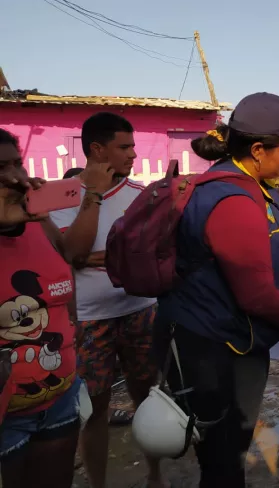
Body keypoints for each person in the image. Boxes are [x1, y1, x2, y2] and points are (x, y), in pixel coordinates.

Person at [153, 93, 279, 488]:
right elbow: (256, 296)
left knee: (233, 445)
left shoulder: (256, 189)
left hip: (238, 342)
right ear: (258, 150)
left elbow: (277, 264)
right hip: (210, 350)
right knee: (223, 458)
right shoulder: (231, 200)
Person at [50, 113, 165, 488]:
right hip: (88, 318)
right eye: (124, 147)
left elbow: (152, 254)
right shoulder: (60, 194)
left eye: (133, 146)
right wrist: (94, 195)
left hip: (140, 311)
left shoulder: (142, 195)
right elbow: (73, 251)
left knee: (147, 399)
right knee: (94, 409)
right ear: (98, 150)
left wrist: (94, 258)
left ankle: (155, 476)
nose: (134, 154)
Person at [0, 128, 83, 488]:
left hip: (59, 399)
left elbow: (68, 262)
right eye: (0, 169)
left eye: (17, 164)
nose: (16, 178)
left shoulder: (37, 222)